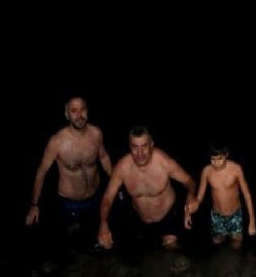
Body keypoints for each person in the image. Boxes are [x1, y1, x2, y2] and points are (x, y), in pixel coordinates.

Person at [97, 126, 197, 251]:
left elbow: (189, 181)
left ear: (151, 145)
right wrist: (103, 223)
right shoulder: (122, 167)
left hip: (168, 216)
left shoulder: (164, 162)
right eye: (135, 147)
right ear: (130, 146)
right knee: (107, 246)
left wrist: (190, 195)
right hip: (139, 219)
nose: (140, 153)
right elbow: (107, 198)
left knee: (172, 251)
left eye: (144, 146)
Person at [25, 96, 113, 237]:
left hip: (96, 198)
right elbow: (41, 172)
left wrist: (116, 185)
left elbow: (104, 158)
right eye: (74, 111)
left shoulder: (96, 134)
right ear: (67, 114)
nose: (79, 115)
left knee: (100, 242)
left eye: (82, 109)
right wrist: (34, 205)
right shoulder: (57, 142)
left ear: (87, 111)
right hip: (69, 204)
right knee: (71, 247)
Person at [187, 142, 256, 249]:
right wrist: (193, 206)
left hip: (235, 216)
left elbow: (247, 195)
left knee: (236, 247)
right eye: (212, 159)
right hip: (217, 216)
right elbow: (200, 197)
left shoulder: (236, 169)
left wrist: (252, 222)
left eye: (219, 159)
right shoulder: (206, 171)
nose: (216, 163)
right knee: (217, 246)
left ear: (226, 155)